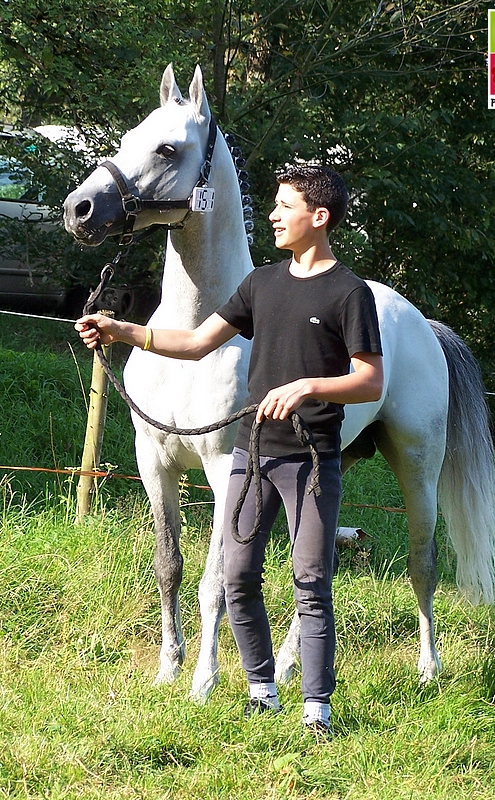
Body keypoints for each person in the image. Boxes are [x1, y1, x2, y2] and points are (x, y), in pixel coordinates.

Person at [76, 164, 383, 734]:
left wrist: (309, 386)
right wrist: (122, 332)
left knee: (310, 581)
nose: (271, 215)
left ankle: (317, 707)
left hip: (311, 461)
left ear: (318, 218)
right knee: (238, 575)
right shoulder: (260, 284)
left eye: (284, 206)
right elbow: (195, 342)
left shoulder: (350, 293)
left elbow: (370, 381)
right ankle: (260, 688)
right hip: (251, 454)